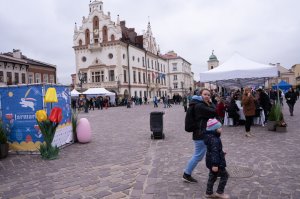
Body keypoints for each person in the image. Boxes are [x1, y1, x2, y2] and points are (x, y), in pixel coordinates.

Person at [183, 89, 217, 183]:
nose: (207, 96)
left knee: (212, 152)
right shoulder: (200, 106)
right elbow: (214, 111)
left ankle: (217, 171)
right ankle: (186, 174)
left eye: (209, 95)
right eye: (205, 94)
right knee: (198, 156)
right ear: (200, 95)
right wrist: (211, 102)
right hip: (201, 135)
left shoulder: (198, 104)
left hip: (204, 133)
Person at [204, 119, 230, 199]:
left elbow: (214, 150)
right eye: (219, 127)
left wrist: (221, 152)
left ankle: (208, 193)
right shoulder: (215, 139)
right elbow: (214, 152)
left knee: (212, 176)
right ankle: (219, 192)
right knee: (225, 175)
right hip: (216, 162)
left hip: (210, 160)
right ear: (214, 129)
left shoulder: (210, 136)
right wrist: (215, 164)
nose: (221, 129)